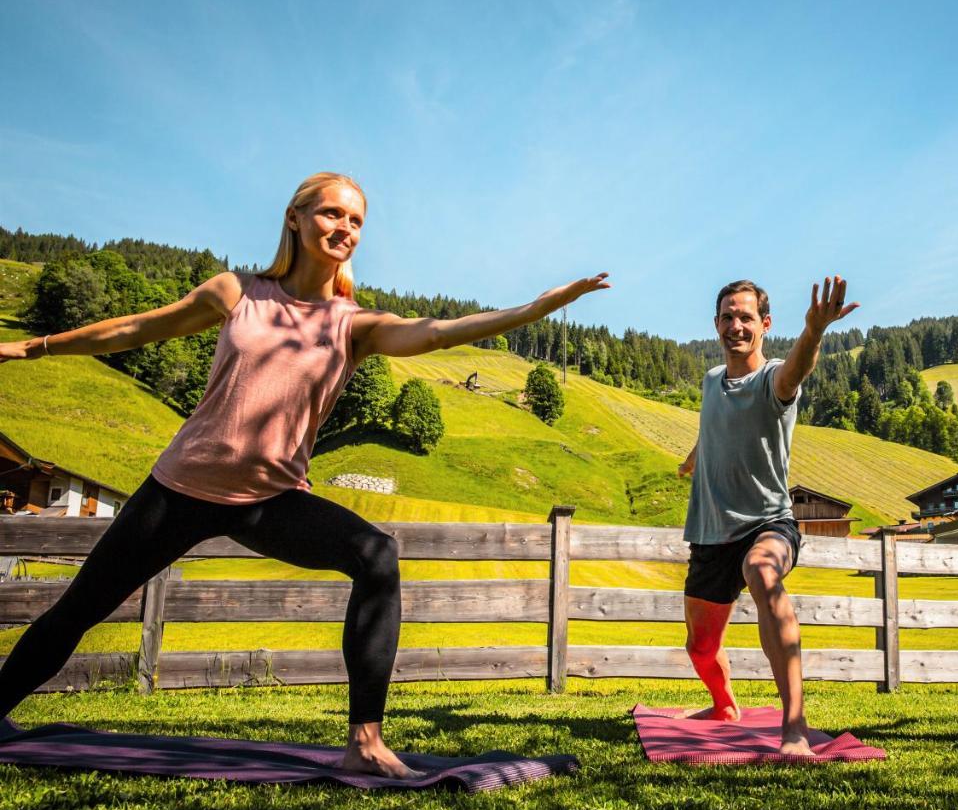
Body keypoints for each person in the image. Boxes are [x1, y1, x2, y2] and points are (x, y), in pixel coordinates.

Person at [0, 172, 609, 778]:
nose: (344, 228)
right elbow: (140, 327)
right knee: (79, 610)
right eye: (331, 214)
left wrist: (542, 306)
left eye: (356, 220)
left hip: (268, 499)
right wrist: (37, 347)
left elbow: (443, 332)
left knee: (377, 556)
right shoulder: (237, 291)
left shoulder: (354, 325)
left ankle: (365, 741)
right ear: (295, 217)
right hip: (180, 487)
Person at [677, 276, 857, 755]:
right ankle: (724, 706)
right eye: (728, 317)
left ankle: (793, 726)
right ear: (716, 324)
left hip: (768, 524)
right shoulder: (712, 381)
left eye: (746, 317)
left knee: (761, 571)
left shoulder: (773, 379)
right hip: (711, 532)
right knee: (700, 647)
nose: (736, 326)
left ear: (765, 324)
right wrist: (693, 459)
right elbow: (715, 426)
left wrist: (814, 332)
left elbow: (796, 371)